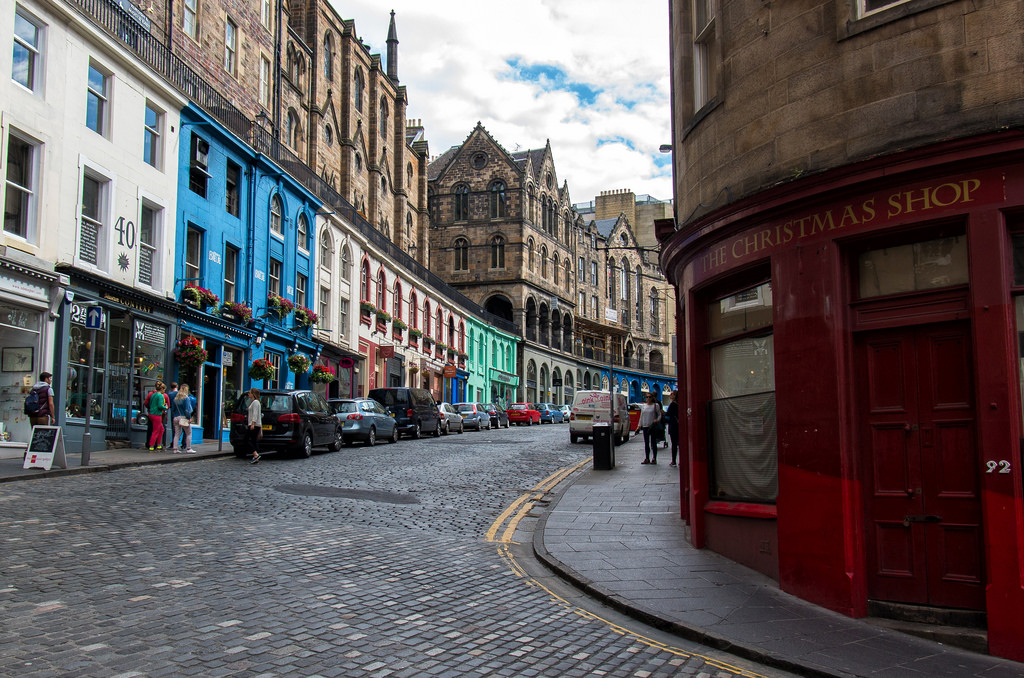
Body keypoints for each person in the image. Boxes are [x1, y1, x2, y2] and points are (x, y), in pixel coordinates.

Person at [170, 384, 197, 454]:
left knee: (177, 433)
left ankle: (175, 449)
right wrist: (189, 417)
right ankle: (189, 448)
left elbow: (172, 409)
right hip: (183, 417)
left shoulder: (175, 399)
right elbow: (186, 410)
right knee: (189, 433)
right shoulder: (186, 398)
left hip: (176, 417)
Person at [638, 392, 663, 465]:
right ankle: (647, 458)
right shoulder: (643, 406)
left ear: (652, 398)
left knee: (653, 443)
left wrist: (657, 420)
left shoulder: (656, 405)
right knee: (646, 443)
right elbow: (641, 416)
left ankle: (654, 458)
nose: (648, 398)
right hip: (645, 426)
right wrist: (639, 425)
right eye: (647, 397)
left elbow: (659, 414)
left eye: (649, 397)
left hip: (653, 426)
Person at [147, 382, 169, 450]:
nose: (164, 391)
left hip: (151, 413)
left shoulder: (153, 394)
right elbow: (160, 406)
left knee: (161, 429)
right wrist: (165, 407)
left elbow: (149, 403)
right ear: (162, 389)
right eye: (164, 389)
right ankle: (152, 445)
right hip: (157, 414)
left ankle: (159, 444)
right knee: (156, 430)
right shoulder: (160, 396)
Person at [247, 387, 262, 464]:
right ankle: (256, 456)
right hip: (255, 424)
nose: (248, 394)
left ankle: (255, 455)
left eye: (249, 393)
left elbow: (255, 414)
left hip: (254, 424)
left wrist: (252, 424)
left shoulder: (255, 402)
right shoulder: (255, 402)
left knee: (247, 440)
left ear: (253, 394)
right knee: (253, 441)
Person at [666, 390, 679, 467]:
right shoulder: (680, 404)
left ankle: (674, 460)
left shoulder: (672, 404)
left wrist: (663, 413)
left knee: (673, 444)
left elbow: (668, 414)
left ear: (675, 395)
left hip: (673, 425)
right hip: (678, 425)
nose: (670, 395)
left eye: (671, 394)